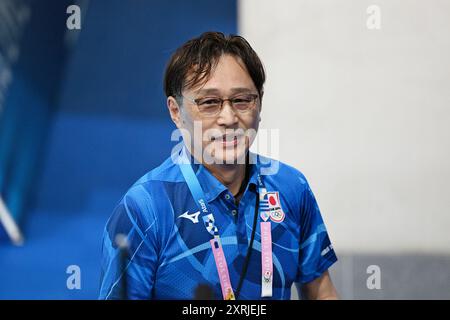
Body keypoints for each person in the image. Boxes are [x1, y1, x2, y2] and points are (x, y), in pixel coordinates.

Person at [99, 31, 338, 300]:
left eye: (242, 100)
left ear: (259, 104)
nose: (229, 117)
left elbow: (321, 292)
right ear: (176, 111)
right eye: (209, 102)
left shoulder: (291, 187)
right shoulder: (145, 207)